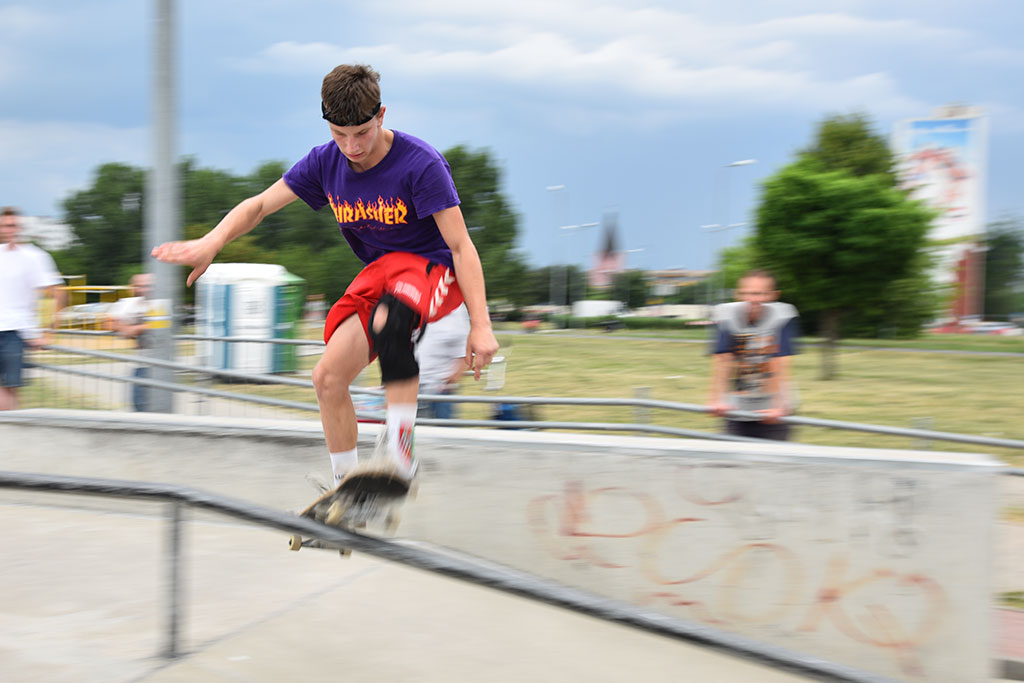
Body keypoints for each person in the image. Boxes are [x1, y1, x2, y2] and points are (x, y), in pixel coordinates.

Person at [152, 64, 498, 486]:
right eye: (339, 135)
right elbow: (260, 205)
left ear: (381, 115)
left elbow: (462, 246)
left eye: (362, 133)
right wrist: (212, 242)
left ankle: (401, 453)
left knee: (391, 322)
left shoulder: (420, 164)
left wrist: (480, 325)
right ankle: (346, 487)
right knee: (327, 376)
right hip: (381, 275)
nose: (352, 147)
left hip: (434, 270)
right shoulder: (324, 163)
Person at [707, 269, 799, 440]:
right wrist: (716, 399)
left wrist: (778, 406)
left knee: (774, 460)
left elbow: (779, 362)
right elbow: (722, 360)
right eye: (748, 293)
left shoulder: (783, 315)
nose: (754, 299)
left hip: (773, 408)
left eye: (761, 294)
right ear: (738, 294)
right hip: (738, 406)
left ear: (773, 295)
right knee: (733, 460)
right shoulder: (726, 315)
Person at [0, 207, 65, 410]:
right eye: (5, 226)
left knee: (8, 389)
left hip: (14, 330)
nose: (9, 230)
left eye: (13, 225)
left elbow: (59, 293)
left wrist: (49, 331)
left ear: (20, 228)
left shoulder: (34, 256)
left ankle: (12, 436)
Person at [107, 273, 154, 411]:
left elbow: (161, 324)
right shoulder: (128, 303)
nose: (142, 289)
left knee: (159, 406)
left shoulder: (160, 303)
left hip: (161, 364)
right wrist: (125, 328)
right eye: (138, 286)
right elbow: (109, 322)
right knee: (139, 405)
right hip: (141, 363)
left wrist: (134, 329)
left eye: (146, 286)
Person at [415, 303, 470, 419]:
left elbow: (464, 352)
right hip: (410, 384)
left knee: (443, 432)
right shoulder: (417, 301)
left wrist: (451, 380)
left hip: (440, 388)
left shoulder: (456, 309)